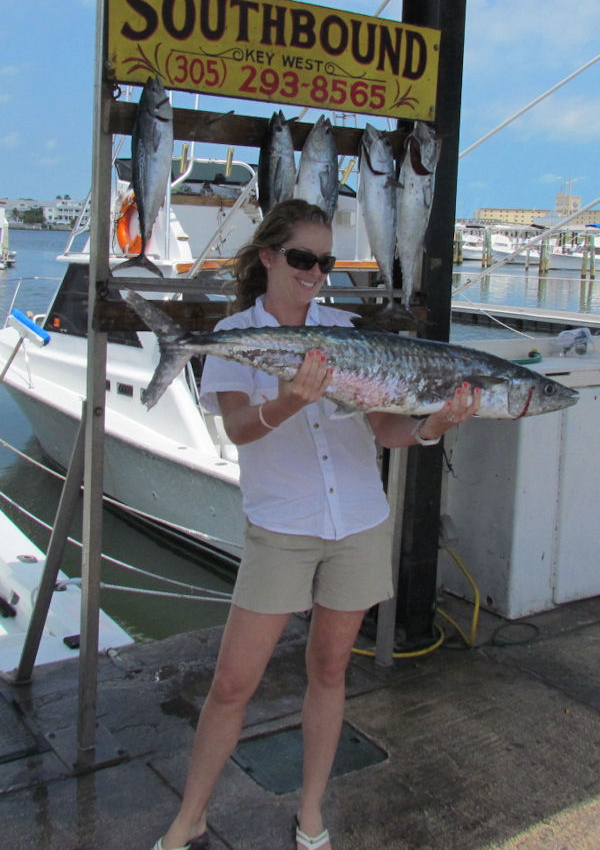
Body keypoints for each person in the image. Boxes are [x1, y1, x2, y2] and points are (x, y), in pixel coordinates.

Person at [152, 199, 480, 850]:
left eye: (325, 262)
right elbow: (239, 429)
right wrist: (286, 404)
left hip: (357, 520)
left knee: (330, 670)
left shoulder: (349, 331)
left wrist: (432, 426)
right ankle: (190, 817)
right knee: (233, 683)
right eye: (302, 258)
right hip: (282, 525)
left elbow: (384, 429)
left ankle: (310, 813)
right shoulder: (237, 334)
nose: (314, 273)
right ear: (269, 256)